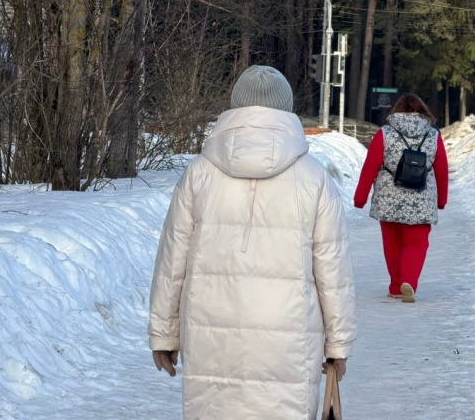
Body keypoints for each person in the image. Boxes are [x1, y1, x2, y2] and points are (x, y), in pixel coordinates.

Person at [148, 65, 356, 419]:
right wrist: (337, 344)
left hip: (211, 334)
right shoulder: (314, 178)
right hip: (288, 338)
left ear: (235, 107)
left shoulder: (199, 173)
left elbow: (172, 260)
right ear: (286, 109)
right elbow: (332, 269)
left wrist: (164, 334)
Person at [353, 94, 449, 303]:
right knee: (417, 242)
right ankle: (409, 282)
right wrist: (441, 200)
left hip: (389, 197)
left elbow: (370, 166)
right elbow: (441, 170)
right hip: (421, 198)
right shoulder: (433, 135)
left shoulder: (385, 133)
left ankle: (396, 286)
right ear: (423, 111)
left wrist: (360, 198)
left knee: (393, 243)